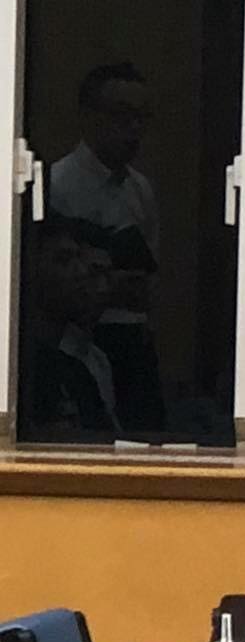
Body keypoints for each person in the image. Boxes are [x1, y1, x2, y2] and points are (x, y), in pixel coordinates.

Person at [45, 62, 165, 431]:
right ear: (89, 117)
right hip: (84, 338)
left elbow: (149, 276)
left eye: (141, 117)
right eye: (121, 115)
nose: (134, 128)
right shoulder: (58, 184)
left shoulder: (140, 189)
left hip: (135, 339)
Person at [20, 215, 121, 436]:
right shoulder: (14, 372)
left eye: (79, 259)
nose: (81, 272)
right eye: (63, 260)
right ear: (27, 271)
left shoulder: (78, 372)